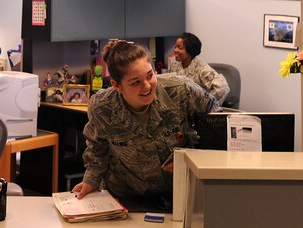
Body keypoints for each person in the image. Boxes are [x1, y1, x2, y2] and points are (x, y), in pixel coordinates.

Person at [72, 39, 219, 204]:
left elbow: (218, 127)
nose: (147, 86)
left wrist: (192, 159)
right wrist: (91, 180)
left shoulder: (181, 91)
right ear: (116, 85)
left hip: (178, 194)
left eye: (150, 75)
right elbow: (97, 147)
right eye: (136, 82)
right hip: (126, 197)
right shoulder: (103, 107)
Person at [168, 32, 230, 105]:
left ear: (190, 50)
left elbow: (223, 88)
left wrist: (205, 105)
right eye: (175, 47)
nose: (175, 50)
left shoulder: (201, 68)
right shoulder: (175, 65)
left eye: (180, 48)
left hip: (195, 113)